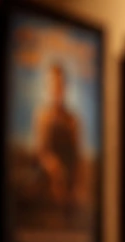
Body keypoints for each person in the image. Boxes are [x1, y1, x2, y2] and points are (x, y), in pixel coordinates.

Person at [34, 63, 82, 211]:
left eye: (59, 85)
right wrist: (53, 167)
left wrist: (74, 186)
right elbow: (41, 151)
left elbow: (76, 157)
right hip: (46, 180)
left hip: (68, 185)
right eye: (53, 85)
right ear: (48, 87)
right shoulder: (42, 117)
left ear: (65, 87)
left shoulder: (72, 120)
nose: (56, 89)